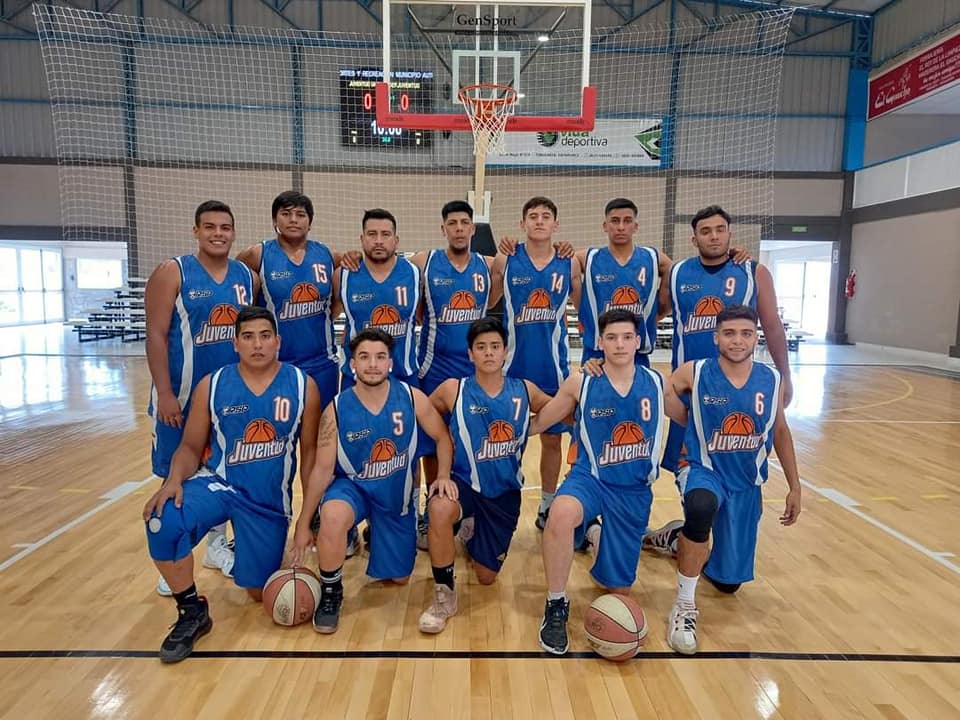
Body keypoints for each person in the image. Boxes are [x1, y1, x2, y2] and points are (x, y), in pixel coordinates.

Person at [142, 306, 320, 663]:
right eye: (248, 337)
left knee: (259, 593)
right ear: (235, 343)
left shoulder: (304, 386)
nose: (257, 344)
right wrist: (173, 480)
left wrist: (306, 520)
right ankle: (191, 610)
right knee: (162, 519)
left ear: (278, 341)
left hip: (268, 503)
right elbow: (190, 447)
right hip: (220, 485)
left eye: (265, 336)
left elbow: (311, 456)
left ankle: (256, 550)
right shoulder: (213, 384)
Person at [645, 204, 794, 555]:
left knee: (732, 470)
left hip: (738, 392)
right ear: (693, 237)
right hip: (690, 390)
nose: (713, 236)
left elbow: (772, 326)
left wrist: (785, 375)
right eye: (705, 231)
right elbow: (654, 313)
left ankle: (693, 537)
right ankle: (690, 535)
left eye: (720, 229)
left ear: (729, 233)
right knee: (691, 475)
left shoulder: (752, 271)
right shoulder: (677, 273)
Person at [289, 328, 454, 634]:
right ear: (352, 364)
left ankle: (377, 532)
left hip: (395, 496)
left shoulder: (412, 398)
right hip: (353, 489)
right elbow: (322, 470)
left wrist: (442, 475)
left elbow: (443, 438)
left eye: (380, 357)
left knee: (399, 578)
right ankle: (331, 591)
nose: (373, 364)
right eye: (364, 357)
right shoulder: (336, 409)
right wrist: (303, 523)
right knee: (333, 515)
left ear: (390, 362)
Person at [662, 304, 801, 655]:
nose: (737, 341)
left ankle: (677, 540)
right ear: (716, 337)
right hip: (704, 470)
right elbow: (660, 389)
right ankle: (684, 605)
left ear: (756, 338)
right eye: (729, 333)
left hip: (746, 482)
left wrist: (794, 486)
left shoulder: (771, 380)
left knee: (728, 584)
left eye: (746, 333)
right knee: (700, 506)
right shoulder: (695, 371)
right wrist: (688, 420)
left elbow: (780, 432)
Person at [528, 308, 665, 655]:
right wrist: (500, 429)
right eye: (612, 337)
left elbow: (692, 414)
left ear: (638, 341)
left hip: (633, 490)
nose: (619, 344)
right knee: (560, 513)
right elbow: (541, 421)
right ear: (599, 341)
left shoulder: (657, 382)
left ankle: (594, 533)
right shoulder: (581, 381)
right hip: (590, 479)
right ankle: (555, 604)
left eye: (627, 337)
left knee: (617, 592)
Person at [144, 200, 257, 593]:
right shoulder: (172, 272)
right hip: (180, 396)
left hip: (227, 397)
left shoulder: (245, 276)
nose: (218, 234)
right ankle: (173, 557)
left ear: (233, 232)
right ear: (196, 231)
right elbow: (155, 335)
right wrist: (164, 392)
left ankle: (216, 546)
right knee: (175, 474)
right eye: (210, 227)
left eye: (225, 227)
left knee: (224, 471)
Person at [417, 317, 552, 634]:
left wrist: (531, 427)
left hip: (504, 493)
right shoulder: (453, 389)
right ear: (470, 354)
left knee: (486, 577)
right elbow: (425, 415)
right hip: (463, 484)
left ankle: (469, 530)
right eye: (481, 347)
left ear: (505, 351)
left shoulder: (525, 390)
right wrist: (443, 465)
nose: (488, 352)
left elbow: (563, 409)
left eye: (495, 346)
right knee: (439, 507)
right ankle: (444, 594)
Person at [491, 197, 582, 530]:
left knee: (552, 440)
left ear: (556, 224)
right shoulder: (506, 258)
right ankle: (499, 502)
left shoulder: (569, 262)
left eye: (546, 216)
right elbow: (487, 301)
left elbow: (584, 310)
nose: (539, 221)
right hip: (512, 369)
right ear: (522, 224)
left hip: (553, 370)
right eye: (533, 216)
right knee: (504, 440)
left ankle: (546, 505)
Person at [237, 190, 353, 408]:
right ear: (274, 220)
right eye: (286, 214)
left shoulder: (328, 255)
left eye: (300, 215)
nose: (293, 220)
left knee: (322, 427)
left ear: (310, 222)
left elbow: (352, 273)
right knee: (278, 427)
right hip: (275, 363)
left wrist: (356, 255)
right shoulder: (256, 255)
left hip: (323, 363)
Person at [576, 198, 671, 367]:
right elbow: (555, 263)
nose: (621, 227)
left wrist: (653, 317)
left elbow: (675, 280)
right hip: (596, 357)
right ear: (605, 226)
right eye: (615, 221)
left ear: (635, 226)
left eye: (627, 221)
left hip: (637, 355)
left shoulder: (654, 258)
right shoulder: (587, 258)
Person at [338, 209, 421, 389]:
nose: (378, 241)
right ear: (362, 239)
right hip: (356, 378)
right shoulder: (342, 275)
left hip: (404, 376)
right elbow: (330, 315)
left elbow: (422, 315)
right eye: (372, 234)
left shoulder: (415, 272)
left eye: (385, 234)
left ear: (396, 240)